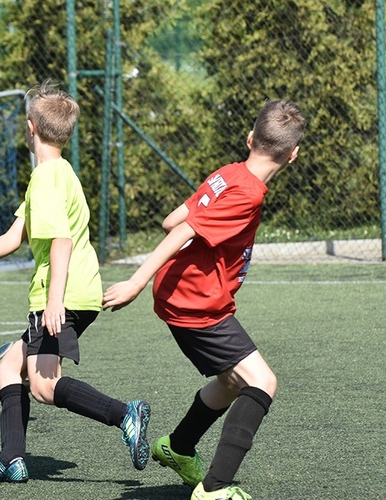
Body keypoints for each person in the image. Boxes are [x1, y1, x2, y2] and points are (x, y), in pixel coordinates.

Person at [103, 99, 306, 499]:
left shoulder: (228, 174)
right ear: (293, 155)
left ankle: (177, 447)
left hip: (183, 295)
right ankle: (215, 489)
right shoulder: (246, 193)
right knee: (263, 381)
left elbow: (172, 220)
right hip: (196, 304)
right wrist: (135, 281)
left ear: (250, 139)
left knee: (231, 382)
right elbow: (181, 233)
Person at [0, 80, 151, 483]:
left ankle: (125, 414)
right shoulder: (56, 173)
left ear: (30, 127)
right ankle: (13, 459)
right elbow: (19, 233)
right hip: (74, 291)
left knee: (45, 387)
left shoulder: (47, 177)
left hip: (60, 295)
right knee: (9, 364)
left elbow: (61, 241)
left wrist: (53, 303)